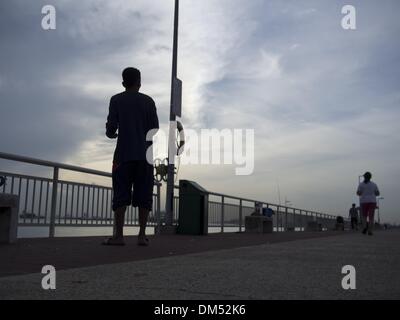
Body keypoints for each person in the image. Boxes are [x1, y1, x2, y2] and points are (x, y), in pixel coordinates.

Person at [104, 67, 159, 246]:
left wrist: (112, 132)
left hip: (123, 155)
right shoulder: (149, 101)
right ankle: (141, 235)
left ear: (123, 82)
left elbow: (111, 128)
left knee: (121, 194)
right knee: (144, 194)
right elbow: (155, 129)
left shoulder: (116, 100)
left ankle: (119, 236)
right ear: (139, 82)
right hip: (145, 156)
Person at [357, 172, 380, 236]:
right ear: (370, 177)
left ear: (364, 177)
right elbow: (378, 193)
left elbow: (358, 193)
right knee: (371, 217)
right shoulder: (374, 184)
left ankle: (364, 227)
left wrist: (362, 193)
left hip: (363, 201)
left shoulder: (361, 185)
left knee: (364, 216)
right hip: (372, 201)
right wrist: (373, 193)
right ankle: (370, 231)